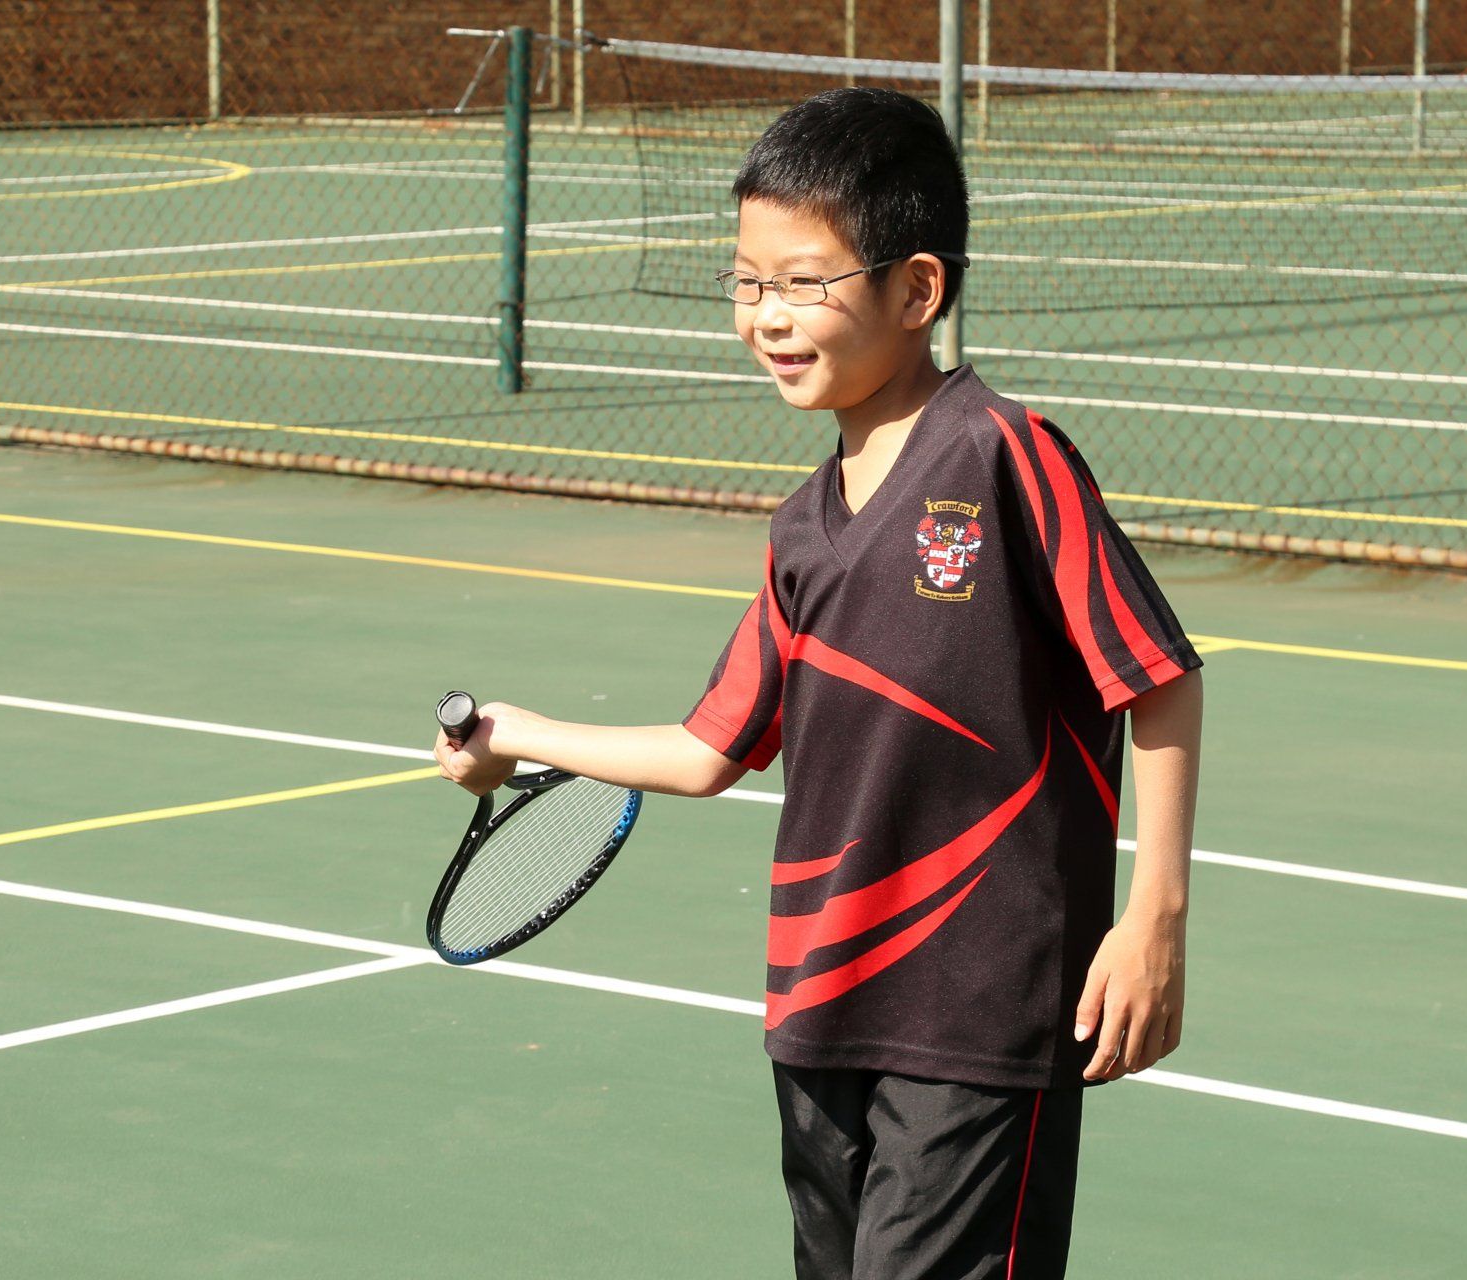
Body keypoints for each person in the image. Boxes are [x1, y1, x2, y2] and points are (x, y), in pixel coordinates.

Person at [435, 86, 1204, 1280]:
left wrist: (1152, 915)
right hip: (819, 1003)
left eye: (805, 282)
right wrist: (515, 729)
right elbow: (708, 747)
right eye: (747, 283)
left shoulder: (1010, 456)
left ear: (917, 290)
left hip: (978, 1011)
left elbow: (1155, 680)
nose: (768, 317)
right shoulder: (802, 529)